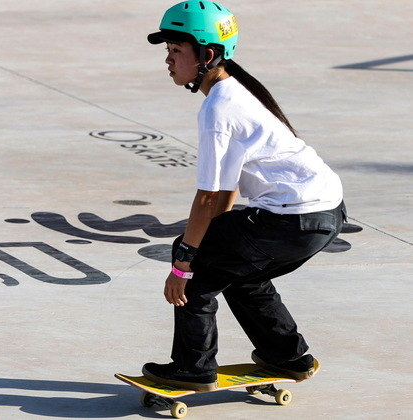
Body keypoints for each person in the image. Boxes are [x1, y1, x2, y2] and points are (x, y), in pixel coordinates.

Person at [142, 0, 346, 391]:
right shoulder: (237, 92)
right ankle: (288, 355)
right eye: (167, 51)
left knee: (199, 268)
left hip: (293, 219)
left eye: (176, 50)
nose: (168, 60)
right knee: (240, 272)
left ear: (208, 54)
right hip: (326, 213)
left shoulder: (219, 108)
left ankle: (192, 367)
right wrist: (215, 237)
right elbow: (226, 189)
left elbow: (206, 197)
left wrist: (184, 264)